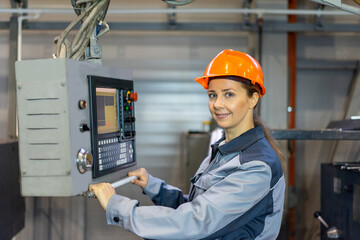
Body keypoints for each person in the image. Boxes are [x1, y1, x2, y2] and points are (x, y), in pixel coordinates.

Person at [90, 49, 286, 240]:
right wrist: (153, 186)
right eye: (212, 95)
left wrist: (116, 206)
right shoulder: (224, 149)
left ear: (253, 98)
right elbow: (197, 205)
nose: (217, 104)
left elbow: (195, 221)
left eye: (228, 95)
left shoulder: (256, 166)